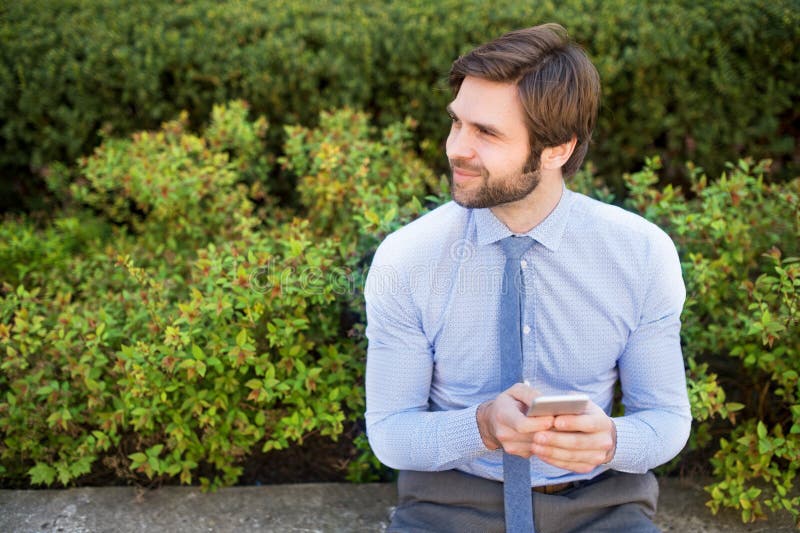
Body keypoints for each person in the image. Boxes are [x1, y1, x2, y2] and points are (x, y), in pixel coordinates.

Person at [364, 23, 691, 533]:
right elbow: (389, 433)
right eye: (457, 124)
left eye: (487, 133)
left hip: (602, 505)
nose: (456, 149)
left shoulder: (641, 254)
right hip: (448, 506)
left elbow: (666, 420)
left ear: (557, 149)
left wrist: (611, 440)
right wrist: (481, 427)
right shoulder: (407, 259)